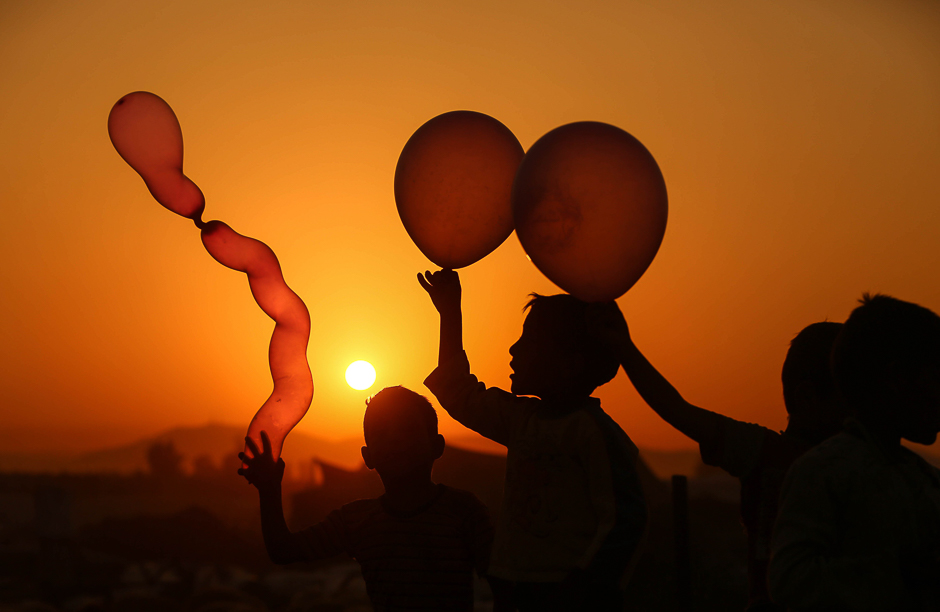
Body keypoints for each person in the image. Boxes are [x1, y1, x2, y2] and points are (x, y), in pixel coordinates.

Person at [589, 302, 845, 611]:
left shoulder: (865, 464)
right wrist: (624, 347)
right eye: (854, 399)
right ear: (808, 397)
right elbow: (677, 411)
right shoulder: (767, 452)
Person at [419, 269, 647, 612]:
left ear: (569, 364)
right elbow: (457, 392)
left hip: (569, 595)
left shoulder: (593, 434)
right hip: (515, 591)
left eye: (529, 341)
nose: (513, 349)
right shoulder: (522, 421)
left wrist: (588, 585)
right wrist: (450, 312)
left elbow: (625, 520)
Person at [238, 385, 496, 612]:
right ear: (368, 456)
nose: (395, 440)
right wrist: (269, 490)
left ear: (437, 446)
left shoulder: (465, 512)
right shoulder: (355, 521)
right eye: (382, 433)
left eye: (407, 429)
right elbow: (283, 551)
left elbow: (505, 587)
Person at [769, 294, 940, 611]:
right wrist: (899, 573)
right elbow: (790, 580)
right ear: (897, 379)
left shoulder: (923, 478)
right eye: (937, 377)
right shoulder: (824, 472)